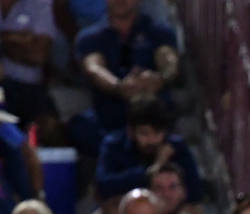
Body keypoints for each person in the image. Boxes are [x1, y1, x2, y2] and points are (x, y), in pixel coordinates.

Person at [69, 0, 179, 157]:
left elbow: (169, 60)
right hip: (110, 119)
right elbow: (93, 67)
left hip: (153, 118)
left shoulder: (159, 32)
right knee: (80, 128)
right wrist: (119, 86)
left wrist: (158, 79)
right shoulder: (89, 37)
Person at [94, 95, 202, 214]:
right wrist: (151, 170)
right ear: (131, 132)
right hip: (128, 210)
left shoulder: (176, 147)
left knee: (192, 210)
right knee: (113, 209)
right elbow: (103, 185)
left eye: (157, 133)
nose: (152, 140)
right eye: (144, 134)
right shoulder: (114, 145)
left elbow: (194, 192)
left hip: (167, 210)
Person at [0, 0, 63, 144]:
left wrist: (2, 42)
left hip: (29, 90)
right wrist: (20, 39)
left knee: (51, 128)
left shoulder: (40, 4)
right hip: (1, 89)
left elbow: (38, 55)